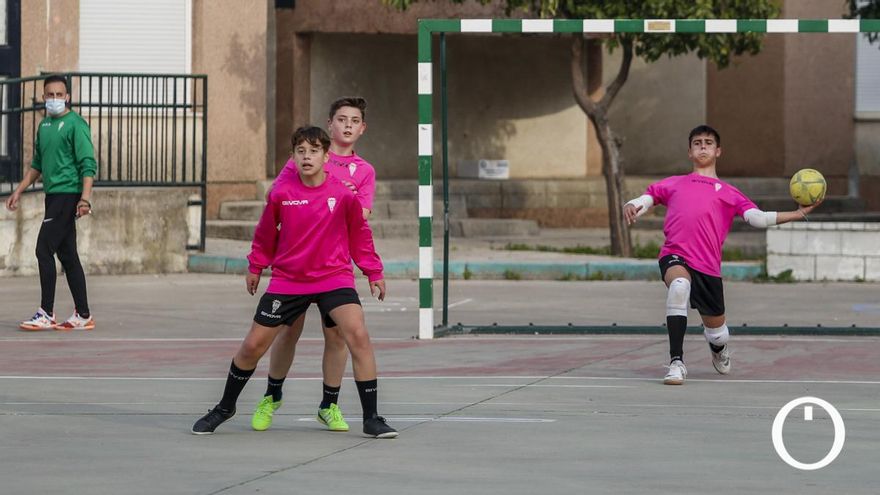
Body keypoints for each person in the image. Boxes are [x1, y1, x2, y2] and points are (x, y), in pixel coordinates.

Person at [191, 125, 397, 438]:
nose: (306, 156)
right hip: (289, 279)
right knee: (253, 345)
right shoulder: (281, 194)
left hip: (333, 277)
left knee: (357, 334)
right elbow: (264, 234)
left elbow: (360, 236)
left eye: (314, 151)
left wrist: (373, 271)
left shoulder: (342, 195)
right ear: (293, 157)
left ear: (326, 156)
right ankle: (225, 407)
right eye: (301, 151)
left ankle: (372, 418)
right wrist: (256, 266)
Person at [623, 125, 821, 385]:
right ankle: (676, 362)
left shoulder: (729, 193)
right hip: (675, 255)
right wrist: (634, 204)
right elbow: (649, 196)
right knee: (679, 286)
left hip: (708, 267)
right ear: (690, 152)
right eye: (697, 143)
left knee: (717, 333)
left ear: (718, 151)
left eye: (708, 142)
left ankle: (718, 349)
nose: (702, 146)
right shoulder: (674, 183)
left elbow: (757, 218)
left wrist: (796, 214)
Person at [253, 97, 376, 433]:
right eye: (341, 119)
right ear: (330, 124)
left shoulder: (363, 172)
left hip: (333, 267)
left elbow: (360, 217)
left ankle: (329, 405)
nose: (347, 125)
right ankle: (271, 395)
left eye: (354, 120)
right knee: (287, 332)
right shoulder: (308, 154)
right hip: (295, 265)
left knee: (337, 337)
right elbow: (277, 200)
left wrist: (343, 197)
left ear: (362, 128)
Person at [5, 74, 96, 331]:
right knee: (67, 255)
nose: (55, 99)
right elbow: (37, 164)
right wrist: (19, 190)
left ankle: (46, 312)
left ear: (67, 97)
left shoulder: (76, 124)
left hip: (68, 196)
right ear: (43, 97)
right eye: (50, 94)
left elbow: (88, 164)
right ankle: (84, 314)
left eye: (59, 94)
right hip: (52, 196)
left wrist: (85, 199)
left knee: (43, 249)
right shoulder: (44, 126)